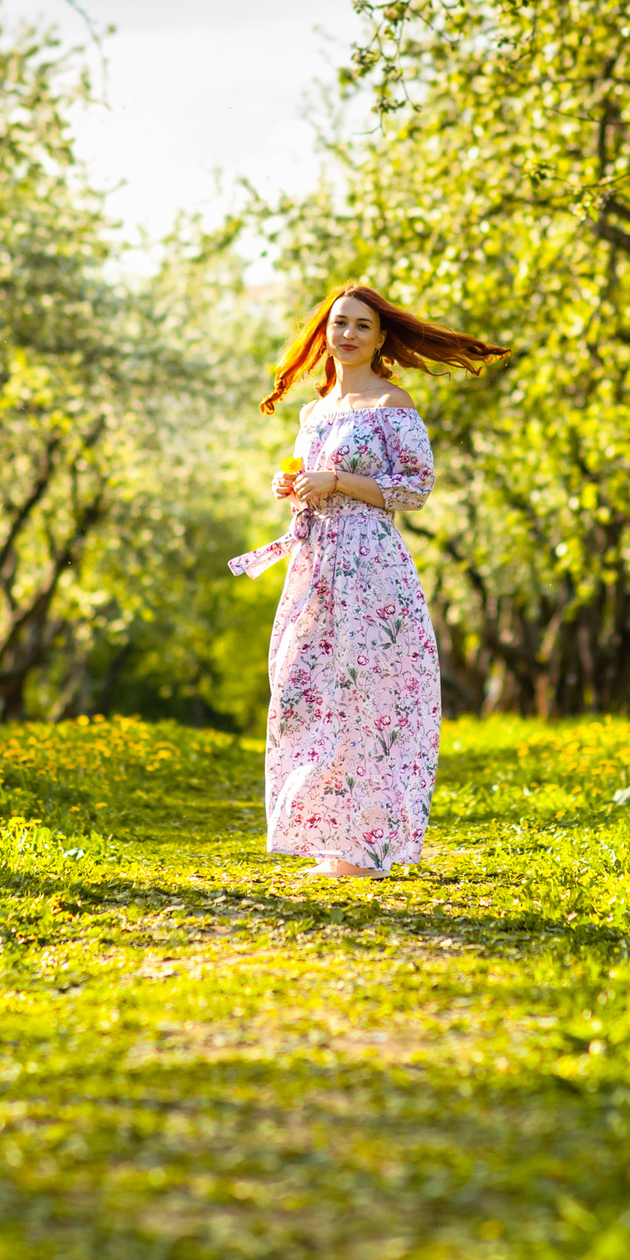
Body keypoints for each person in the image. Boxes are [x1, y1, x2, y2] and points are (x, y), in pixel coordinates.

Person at [228, 284, 508, 879]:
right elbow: (315, 481)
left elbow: (414, 488)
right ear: (324, 333)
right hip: (314, 563)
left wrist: (336, 482)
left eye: (361, 325)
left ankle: (364, 848)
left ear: (381, 338)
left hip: (371, 565)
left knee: (366, 697)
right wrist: (295, 485)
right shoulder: (313, 412)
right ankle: (325, 837)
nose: (348, 334)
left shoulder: (391, 404)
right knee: (304, 690)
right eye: (339, 323)